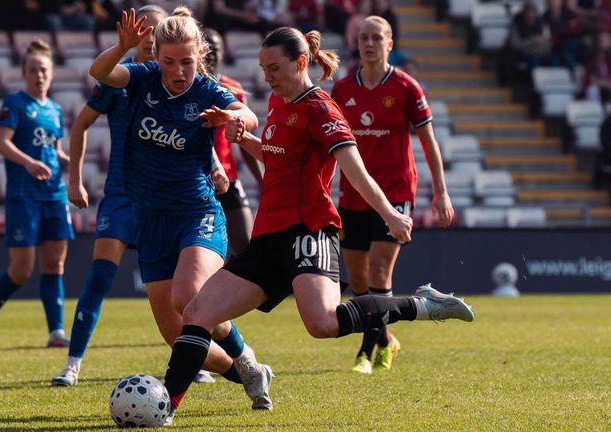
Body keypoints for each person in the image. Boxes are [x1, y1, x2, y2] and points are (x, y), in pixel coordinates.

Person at [159, 27, 474, 423]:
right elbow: (277, 156)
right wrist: (243, 140)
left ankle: (424, 306)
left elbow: (354, 171)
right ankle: (165, 407)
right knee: (197, 310)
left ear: (301, 62)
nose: (267, 77)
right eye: (263, 69)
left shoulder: (322, 109)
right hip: (268, 237)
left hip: (309, 230)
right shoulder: (278, 100)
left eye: (274, 68)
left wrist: (390, 214)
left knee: (322, 324)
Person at [88, 7, 274, 409]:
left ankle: (170, 402)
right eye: (169, 61)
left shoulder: (207, 91)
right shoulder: (143, 78)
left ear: (199, 57)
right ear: (156, 57)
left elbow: (249, 114)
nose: (178, 71)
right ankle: (246, 367)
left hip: (197, 214)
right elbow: (100, 72)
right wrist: (122, 47)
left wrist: (235, 119)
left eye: (186, 61)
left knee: (189, 298)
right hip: (150, 220)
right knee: (177, 333)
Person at [50, 5, 172, 386]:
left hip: (163, 198)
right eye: (144, 29)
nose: (149, 37)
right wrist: (74, 180)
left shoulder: (177, 80)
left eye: (156, 30)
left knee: (175, 290)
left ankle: (198, 358)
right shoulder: (118, 77)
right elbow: (80, 125)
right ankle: (73, 363)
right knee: (100, 277)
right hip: (120, 194)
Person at [331, 16, 454, 375]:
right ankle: (386, 338)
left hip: (396, 193)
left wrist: (441, 192)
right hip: (354, 194)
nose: (369, 44)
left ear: (390, 43)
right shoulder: (342, 89)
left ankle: (365, 354)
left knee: (379, 271)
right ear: (357, 43)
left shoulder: (406, 87)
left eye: (376, 38)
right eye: (363, 38)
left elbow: (429, 142)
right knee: (357, 280)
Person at [0, 39, 73, 349]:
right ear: (24, 73)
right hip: (24, 194)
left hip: (54, 194)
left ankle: (56, 332)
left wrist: (68, 160)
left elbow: (54, 149)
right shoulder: (15, 104)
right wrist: (29, 162)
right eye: (33, 70)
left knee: (54, 264)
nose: (39, 75)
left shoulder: (55, 110)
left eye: (43, 70)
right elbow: (1, 143)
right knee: (21, 269)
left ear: (52, 74)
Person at [203, 27, 263, 256]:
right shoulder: (188, 88)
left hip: (228, 178)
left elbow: (243, 138)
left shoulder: (233, 90)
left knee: (246, 249)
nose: (211, 54)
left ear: (223, 53)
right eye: (207, 48)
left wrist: (261, 180)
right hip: (196, 178)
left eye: (216, 49)